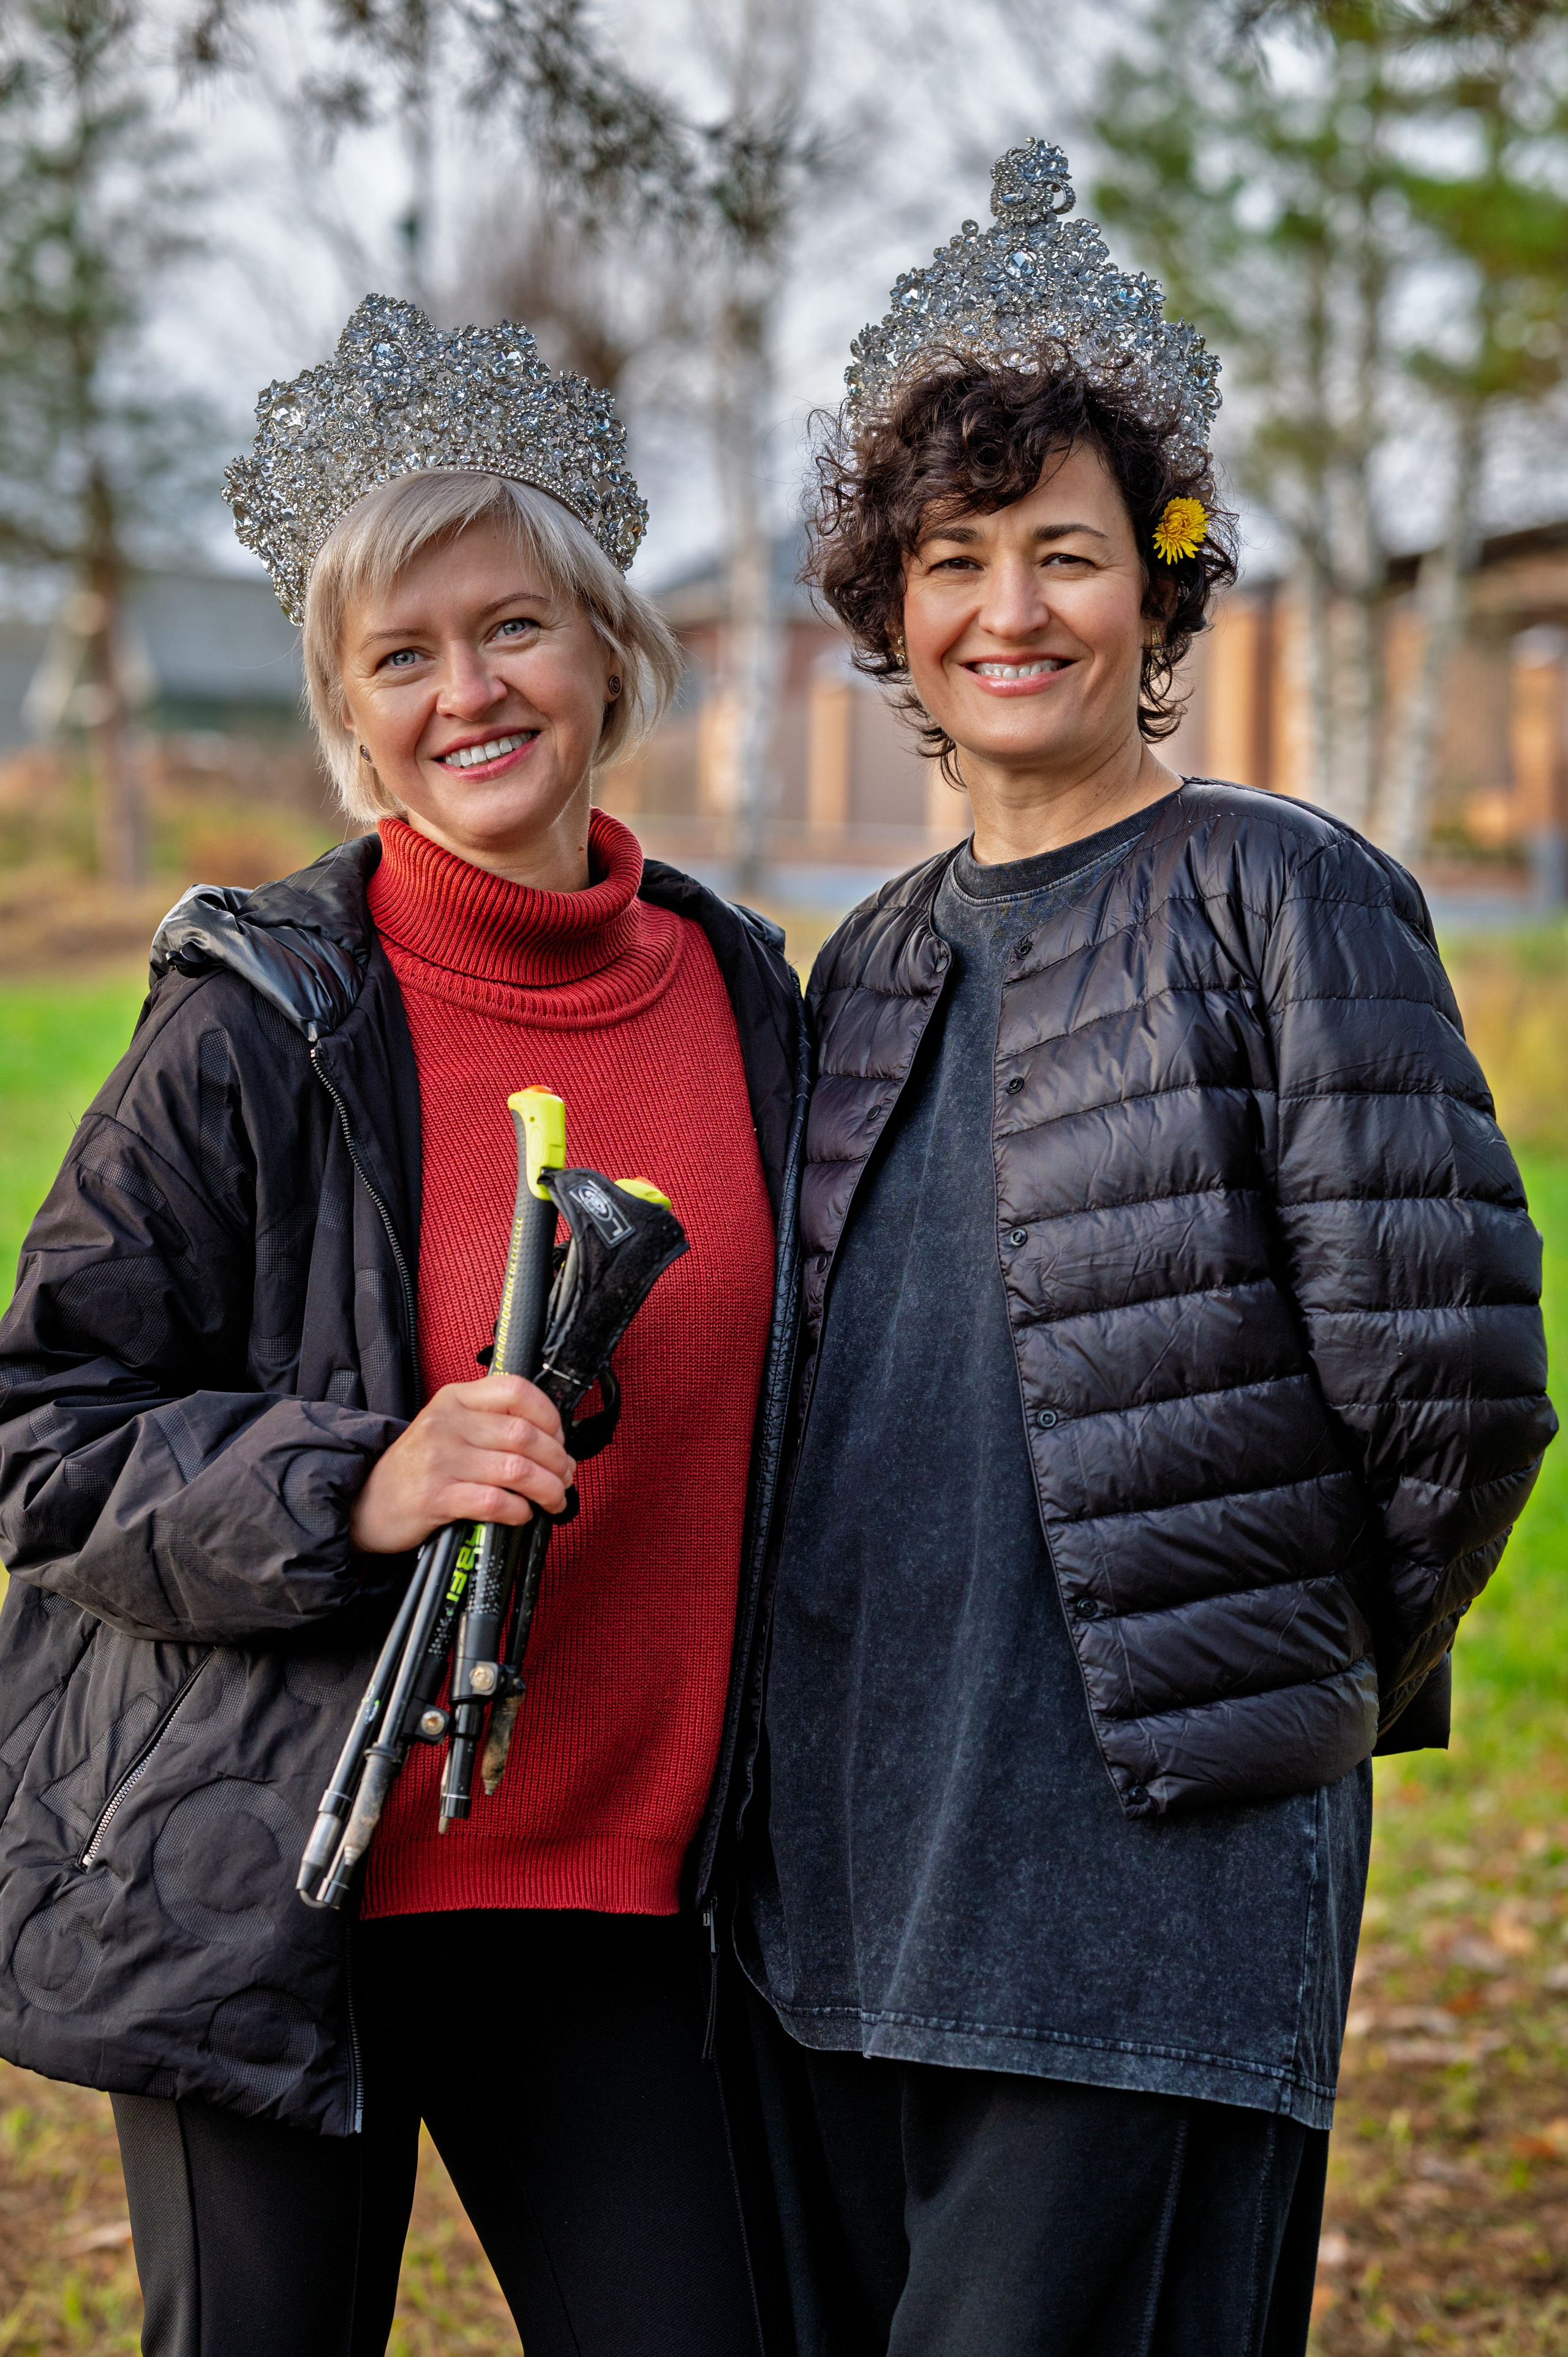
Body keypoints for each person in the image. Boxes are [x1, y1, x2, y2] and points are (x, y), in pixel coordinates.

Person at [731, 142, 1556, 2356]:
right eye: (959, 559)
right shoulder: (870, 958)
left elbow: (1455, 1388)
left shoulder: (1287, 896)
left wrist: (1268, 1690)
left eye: (1070, 556)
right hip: (849, 1883)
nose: (1014, 609)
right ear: (892, 614)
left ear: (1161, 595)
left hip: (1144, 1894)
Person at [0, 295, 805, 2357]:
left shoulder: (749, 999)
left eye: (515, 625)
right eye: (404, 656)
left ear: (610, 646)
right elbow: (44, 1430)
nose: (472, 690)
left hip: (631, 1907)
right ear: (351, 722)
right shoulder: (255, 1016)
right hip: (276, 1890)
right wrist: (356, 1480)